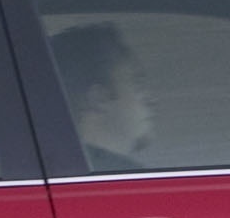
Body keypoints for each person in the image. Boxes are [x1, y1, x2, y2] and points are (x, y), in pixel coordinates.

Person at [49, 21, 153, 170]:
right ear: (98, 99)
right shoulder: (128, 183)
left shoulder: (59, 167)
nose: (150, 100)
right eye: (137, 85)